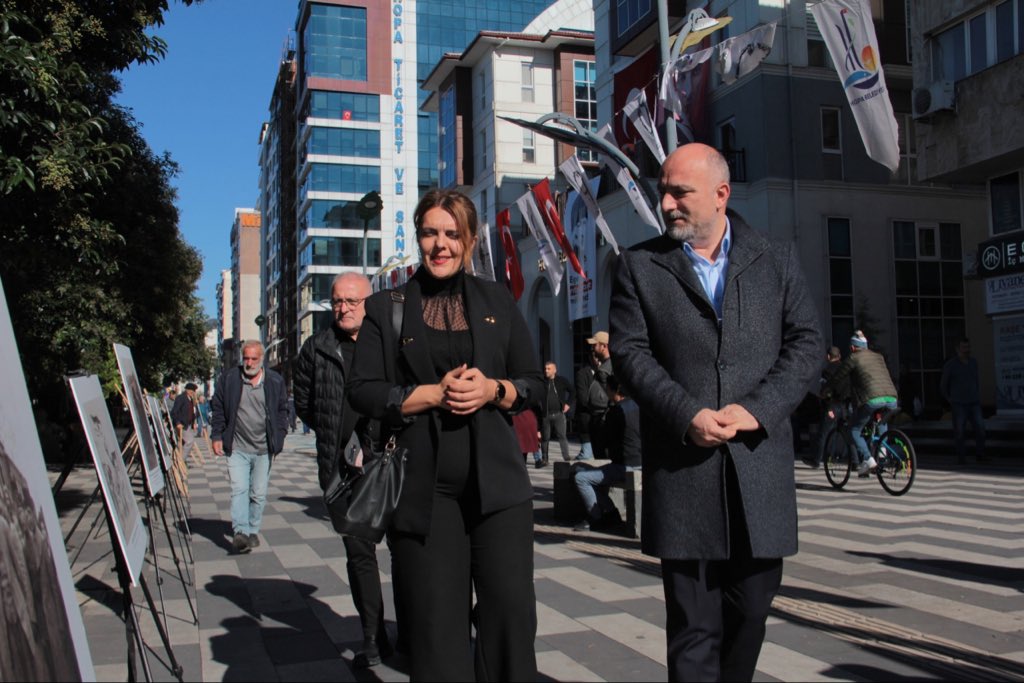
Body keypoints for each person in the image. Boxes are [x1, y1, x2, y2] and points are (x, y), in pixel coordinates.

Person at [609, 143, 823, 682]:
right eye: (664, 191)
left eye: (680, 191)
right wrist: (687, 414)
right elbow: (630, 354)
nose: (667, 203)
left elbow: (806, 344)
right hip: (684, 475)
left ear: (721, 194)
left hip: (758, 473)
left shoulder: (776, 258)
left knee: (750, 614)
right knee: (693, 630)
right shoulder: (640, 266)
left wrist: (756, 411)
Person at [348, 189, 544, 681]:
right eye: (431, 232)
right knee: (436, 630)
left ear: (470, 240)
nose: (441, 245)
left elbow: (535, 382)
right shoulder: (385, 306)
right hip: (424, 492)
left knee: (510, 618)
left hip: (499, 489)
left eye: (452, 234)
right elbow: (365, 391)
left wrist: (493, 388)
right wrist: (432, 394)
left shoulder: (497, 298)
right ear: (418, 237)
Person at [293, 272, 393, 668]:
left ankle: (415, 630)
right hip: (340, 471)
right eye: (337, 301)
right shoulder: (316, 348)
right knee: (359, 554)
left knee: (405, 551)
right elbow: (305, 403)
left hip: (388, 463)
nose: (343, 308)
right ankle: (373, 636)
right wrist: (338, 436)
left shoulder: (388, 344)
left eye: (352, 301)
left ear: (368, 302)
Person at [210, 341, 289, 554]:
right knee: (239, 489)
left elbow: (282, 410)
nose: (249, 363)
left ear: (262, 359)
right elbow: (218, 408)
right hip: (237, 447)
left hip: (264, 449)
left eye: (254, 359)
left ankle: (253, 529)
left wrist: (280, 436)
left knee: (258, 493)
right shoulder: (229, 379)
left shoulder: (274, 381)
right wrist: (217, 435)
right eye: (246, 358)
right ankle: (240, 533)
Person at [823, 331, 899, 476]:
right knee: (881, 423)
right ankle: (883, 455)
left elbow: (838, 377)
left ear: (852, 348)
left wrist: (826, 390)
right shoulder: (878, 356)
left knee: (854, 430)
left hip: (872, 399)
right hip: (891, 398)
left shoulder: (853, 358)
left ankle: (869, 460)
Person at [572, 375, 640, 532]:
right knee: (594, 474)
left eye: (607, 388)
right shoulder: (639, 407)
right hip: (641, 462)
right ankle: (610, 512)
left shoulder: (615, 411)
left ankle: (597, 517)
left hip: (625, 466)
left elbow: (605, 443)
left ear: (614, 390)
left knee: (581, 478)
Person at [940, 338, 987, 464]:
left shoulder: (973, 362)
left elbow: (976, 380)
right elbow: (944, 385)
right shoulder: (951, 365)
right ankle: (961, 457)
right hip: (959, 403)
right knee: (959, 431)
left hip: (974, 402)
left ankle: (980, 454)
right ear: (958, 349)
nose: (967, 350)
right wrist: (950, 399)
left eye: (968, 347)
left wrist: (977, 394)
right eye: (964, 347)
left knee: (980, 429)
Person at [802, 345, 843, 469]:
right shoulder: (845, 368)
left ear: (828, 357)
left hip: (832, 405)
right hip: (844, 404)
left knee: (823, 433)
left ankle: (816, 460)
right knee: (847, 433)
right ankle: (856, 461)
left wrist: (824, 398)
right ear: (839, 356)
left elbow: (826, 390)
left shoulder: (828, 370)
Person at [574, 332, 612, 460]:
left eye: (595, 345)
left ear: (604, 346)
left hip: (605, 420)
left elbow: (614, 395)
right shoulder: (602, 368)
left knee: (606, 459)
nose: (592, 349)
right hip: (597, 420)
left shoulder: (609, 368)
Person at [539, 361, 572, 466]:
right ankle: (545, 459)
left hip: (559, 414)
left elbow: (573, 391)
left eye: (549, 368)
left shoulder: (561, 381)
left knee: (562, 436)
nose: (546, 371)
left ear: (555, 370)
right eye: (545, 368)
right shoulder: (542, 382)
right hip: (546, 415)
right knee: (545, 438)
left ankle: (566, 457)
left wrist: (568, 404)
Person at [170, 382, 198, 460]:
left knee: (184, 443)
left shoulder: (191, 399)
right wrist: (178, 423)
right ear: (187, 390)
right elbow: (174, 412)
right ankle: (181, 460)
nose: (193, 392)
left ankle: (179, 459)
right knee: (189, 441)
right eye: (192, 390)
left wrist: (194, 423)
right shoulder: (181, 398)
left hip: (188, 425)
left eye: (194, 391)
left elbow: (192, 413)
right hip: (182, 425)